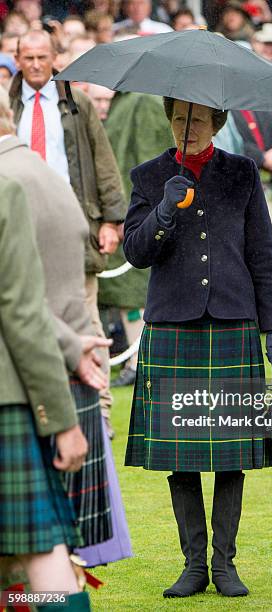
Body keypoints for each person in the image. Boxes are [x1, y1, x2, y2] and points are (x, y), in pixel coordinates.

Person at [123, 98, 272, 598]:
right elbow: (135, 252)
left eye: (196, 120)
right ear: (170, 122)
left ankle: (225, 564)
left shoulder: (241, 173)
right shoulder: (150, 176)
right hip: (173, 325)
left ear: (215, 123)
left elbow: (262, 253)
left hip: (233, 322)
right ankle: (193, 565)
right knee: (183, 456)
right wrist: (165, 210)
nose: (186, 128)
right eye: (178, 119)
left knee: (231, 456)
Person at [0, 89, 114, 552]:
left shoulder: (9, 182)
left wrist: (62, 419)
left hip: (29, 381)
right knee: (36, 566)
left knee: (39, 563)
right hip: (56, 368)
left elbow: (18, 305)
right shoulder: (44, 175)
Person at [9, 29, 126, 437]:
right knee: (24, 316)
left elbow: (103, 160)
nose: (37, 65)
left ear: (55, 57)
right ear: (18, 59)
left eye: (44, 57)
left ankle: (102, 412)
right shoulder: (7, 106)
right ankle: (39, 408)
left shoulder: (77, 103)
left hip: (73, 226)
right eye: (29, 58)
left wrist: (111, 221)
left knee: (86, 322)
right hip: (19, 226)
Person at [0, 160, 90, 609]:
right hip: (5, 402)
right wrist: (63, 421)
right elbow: (22, 312)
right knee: (41, 556)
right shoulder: (5, 191)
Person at [96, 88, 175, 387]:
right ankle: (137, 360)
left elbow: (147, 161)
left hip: (133, 216)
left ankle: (139, 361)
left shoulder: (142, 102)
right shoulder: (132, 102)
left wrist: (132, 213)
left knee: (135, 293)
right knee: (129, 295)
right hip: (127, 213)